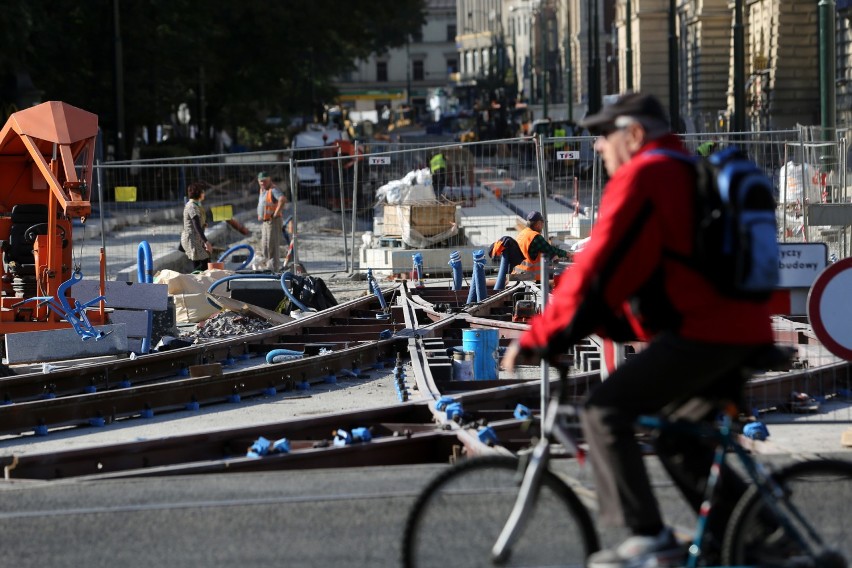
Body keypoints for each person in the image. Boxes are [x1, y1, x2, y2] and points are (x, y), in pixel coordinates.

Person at [502, 92, 774, 568]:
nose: (599, 147)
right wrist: (604, 325)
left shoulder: (647, 175)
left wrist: (543, 335)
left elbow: (600, 272)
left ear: (634, 134)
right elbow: (646, 277)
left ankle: (650, 536)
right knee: (678, 431)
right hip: (733, 326)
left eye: (605, 135)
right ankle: (762, 541)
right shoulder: (681, 169)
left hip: (709, 332)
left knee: (605, 413)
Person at [511, 210, 571, 280]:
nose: (542, 226)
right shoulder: (535, 236)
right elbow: (550, 250)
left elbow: (538, 252)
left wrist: (553, 257)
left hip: (517, 274)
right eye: (542, 224)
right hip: (530, 277)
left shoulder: (522, 233)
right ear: (538, 224)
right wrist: (568, 254)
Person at [256, 171, 287, 271]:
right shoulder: (263, 190)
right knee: (265, 246)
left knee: (272, 247)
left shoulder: (273, 190)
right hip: (265, 222)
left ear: (269, 179)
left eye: (264, 181)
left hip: (273, 221)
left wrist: (276, 213)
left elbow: (282, 199)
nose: (262, 183)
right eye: (261, 181)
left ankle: (274, 269)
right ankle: (267, 268)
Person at [180, 181, 213, 272]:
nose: (204, 193)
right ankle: (198, 282)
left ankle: (200, 281)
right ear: (198, 193)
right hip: (192, 239)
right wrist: (206, 242)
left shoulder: (197, 205)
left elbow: (199, 220)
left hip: (197, 239)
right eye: (202, 192)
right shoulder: (192, 206)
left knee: (204, 261)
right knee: (201, 263)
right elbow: (196, 225)